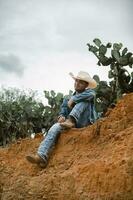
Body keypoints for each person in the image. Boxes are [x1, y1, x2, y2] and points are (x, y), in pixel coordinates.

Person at [26, 71, 97, 168]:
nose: (77, 83)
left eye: (81, 82)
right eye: (76, 81)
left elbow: (92, 95)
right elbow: (63, 111)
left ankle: (71, 120)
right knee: (55, 127)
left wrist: (75, 99)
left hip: (86, 122)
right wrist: (61, 117)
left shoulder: (89, 93)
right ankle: (41, 156)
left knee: (84, 101)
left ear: (86, 85)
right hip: (70, 124)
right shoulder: (67, 98)